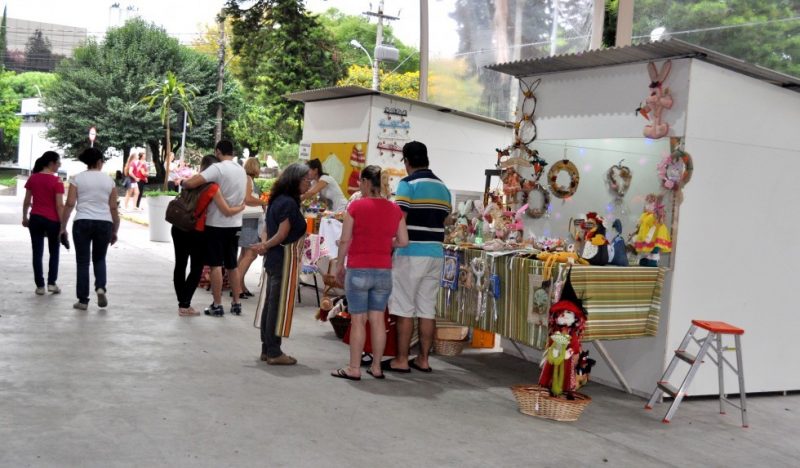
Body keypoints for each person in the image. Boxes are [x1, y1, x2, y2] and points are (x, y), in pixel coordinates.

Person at [331, 166, 408, 380]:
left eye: (360, 182)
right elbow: (403, 241)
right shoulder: (394, 209)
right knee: (377, 319)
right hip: (383, 272)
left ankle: (354, 368)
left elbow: (345, 239)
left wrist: (339, 264)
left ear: (366, 182)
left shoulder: (356, 206)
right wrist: (386, 243)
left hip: (358, 269)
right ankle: (376, 367)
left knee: (358, 320)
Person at [382, 141, 452, 373]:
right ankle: (423, 359)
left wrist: (389, 243)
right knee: (426, 309)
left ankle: (401, 360)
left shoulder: (407, 184)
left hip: (410, 253)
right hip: (436, 254)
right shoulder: (442, 186)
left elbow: (399, 218)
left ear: (407, 161)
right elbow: (446, 220)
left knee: (404, 307)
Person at [251, 163, 312, 365]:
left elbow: (268, 229)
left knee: (270, 304)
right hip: (283, 258)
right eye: (306, 180)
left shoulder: (278, 199)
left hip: (274, 257)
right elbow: (282, 233)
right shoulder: (288, 203)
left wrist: (265, 245)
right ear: (295, 180)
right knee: (276, 306)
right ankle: (274, 352)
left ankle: (267, 349)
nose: (309, 184)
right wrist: (265, 245)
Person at [172, 155, 245, 317]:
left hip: (179, 226)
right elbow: (226, 211)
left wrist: (181, 181)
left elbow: (185, 185)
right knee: (197, 268)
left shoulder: (191, 182)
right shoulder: (212, 187)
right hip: (196, 231)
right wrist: (241, 208)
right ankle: (185, 304)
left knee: (180, 265)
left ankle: (182, 302)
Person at [60, 148, 120, 310]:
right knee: (99, 259)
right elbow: (113, 207)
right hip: (104, 223)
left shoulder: (77, 179)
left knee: (82, 262)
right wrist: (115, 229)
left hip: (82, 221)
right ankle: (100, 287)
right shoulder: (109, 181)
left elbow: (70, 203)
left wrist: (63, 226)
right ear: (99, 161)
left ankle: (83, 300)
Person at [22, 151, 65, 295]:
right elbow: (59, 205)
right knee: (54, 252)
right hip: (52, 220)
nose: (59, 165)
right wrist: (63, 225)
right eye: (58, 163)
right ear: (51, 163)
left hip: (35, 218)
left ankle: (40, 286)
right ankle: (52, 283)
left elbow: (27, 201)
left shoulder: (33, 178)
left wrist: (25, 217)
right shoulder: (57, 181)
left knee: (37, 252)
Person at [236, 157, 269, 298]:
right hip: (249, 221)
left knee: (244, 254)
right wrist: (263, 202)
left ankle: (240, 285)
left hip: (247, 221)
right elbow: (248, 198)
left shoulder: (245, 178)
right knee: (251, 254)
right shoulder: (248, 179)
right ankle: (236, 287)